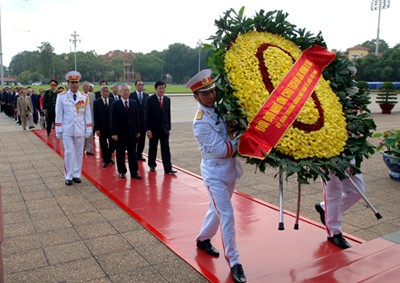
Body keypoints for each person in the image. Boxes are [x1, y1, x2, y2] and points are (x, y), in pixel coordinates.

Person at [186, 69, 246, 283]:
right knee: (227, 213)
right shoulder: (200, 121)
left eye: (212, 91)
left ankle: (203, 239)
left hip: (229, 170)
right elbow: (222, 149)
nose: (210, 96)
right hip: (214, 173)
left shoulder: (220, 110)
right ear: (196, 97)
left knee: (217, 209)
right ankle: (235, 261)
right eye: (205, 94)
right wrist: (245, 138)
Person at [315, 66, 365, 250]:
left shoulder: (353, 97)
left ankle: (323, 208)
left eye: (351, 76)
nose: (350, 79)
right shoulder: (323, 95)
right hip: (328, 153)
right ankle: (334, 232)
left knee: (358, 190)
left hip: (349, 151)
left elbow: (358, 125)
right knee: (333, 191)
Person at [55, 71, 92, 186]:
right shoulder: (61, 97)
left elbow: (87, 115)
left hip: (80, 129)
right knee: (69, 153)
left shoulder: (84, 97)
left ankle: (77, 174)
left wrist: (88, 129)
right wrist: (58, 130)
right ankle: (68, 176)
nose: (75, 85)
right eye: (72, 82)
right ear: (68, 84)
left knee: (79, 153)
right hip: (67, 130)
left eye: (76, 82)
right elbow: (59, 114)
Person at [110, 84, 142, 180]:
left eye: (128, 90)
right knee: (120, 154)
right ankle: (122, 171)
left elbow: (137, 118)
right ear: (120, 92)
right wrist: (114, 133)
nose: (126, 92)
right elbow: (113, 120)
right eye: (124, 90)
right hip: (120, 134)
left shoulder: (133, 103)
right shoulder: (115, 104)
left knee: (133, 153)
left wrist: (138, 131)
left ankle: (134, 172)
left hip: (132, 133)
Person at [144, 81, 177, 174]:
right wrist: (148, 130)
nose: (162, 90)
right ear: (155, 89)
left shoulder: (167, 99)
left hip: (164, 129)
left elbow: (168, 115)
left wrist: (168, 128)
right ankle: (152, 165)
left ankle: (168, 168)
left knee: (166, 149)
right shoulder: (150, 99)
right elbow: (146, 115)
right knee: (153, 148)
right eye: (160, 88)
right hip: (153, 130)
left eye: (163, 88)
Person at [93, 85, 115, 167]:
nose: (105, 93)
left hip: (111, 127)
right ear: (100, 93)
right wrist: (97, 129)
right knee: (103, 144)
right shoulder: (96, 102)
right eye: (104, 92)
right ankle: (105, 160)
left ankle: (108, 156)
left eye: (107, 92)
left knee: (113, 144)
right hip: (101, 127)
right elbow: (96, 116)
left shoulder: (113, 101)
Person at [130, 80, 149, 161]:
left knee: (142, 140)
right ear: (135, 86)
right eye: (139, 85)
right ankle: (132, 154)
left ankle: (139, 154)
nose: (140, 86)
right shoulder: (131, 95)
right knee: (134, 140)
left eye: (142, 85)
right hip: (134, 122)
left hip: (143, 122)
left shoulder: (146, 96)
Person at [82, 81, 95, 155]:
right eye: (85, 86)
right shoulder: (80, 95)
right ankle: (82, 148)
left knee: (90, 134)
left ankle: (89, 149)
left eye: (88, 86)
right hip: (82, 118)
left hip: (91, 117)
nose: (86, 88)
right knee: (82, 134)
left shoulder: (92, 95)